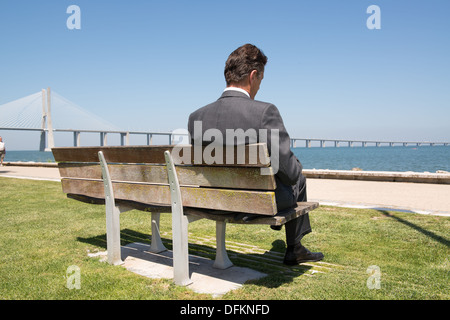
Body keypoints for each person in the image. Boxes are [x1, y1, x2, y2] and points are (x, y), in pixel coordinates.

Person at [188, 44, 323, 265]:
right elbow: (289, 173)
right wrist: (295, 165)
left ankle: (293, 244)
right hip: (257, 201)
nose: (259, 86)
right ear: (253, 76)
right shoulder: (264, 112)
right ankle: (295, 248)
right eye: (261, 80)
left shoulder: (196, 117)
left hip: (215, 200)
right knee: (297, 176)